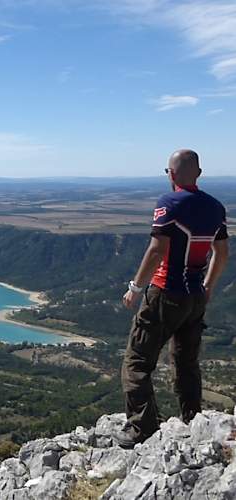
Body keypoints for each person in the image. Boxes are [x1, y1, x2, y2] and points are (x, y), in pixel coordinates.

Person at [114, 149, 229, 448]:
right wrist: (209, 285)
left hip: (166, 292)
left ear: (171, 174)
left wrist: (135, 288)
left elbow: (156, 250)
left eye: (167, 171)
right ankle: (193, 421)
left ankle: (142, 428)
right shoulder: (216, 207)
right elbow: (222, 252)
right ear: (199, 174)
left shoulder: (170, 203)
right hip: (195, 297)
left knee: (137, 361)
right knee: (186, 362)